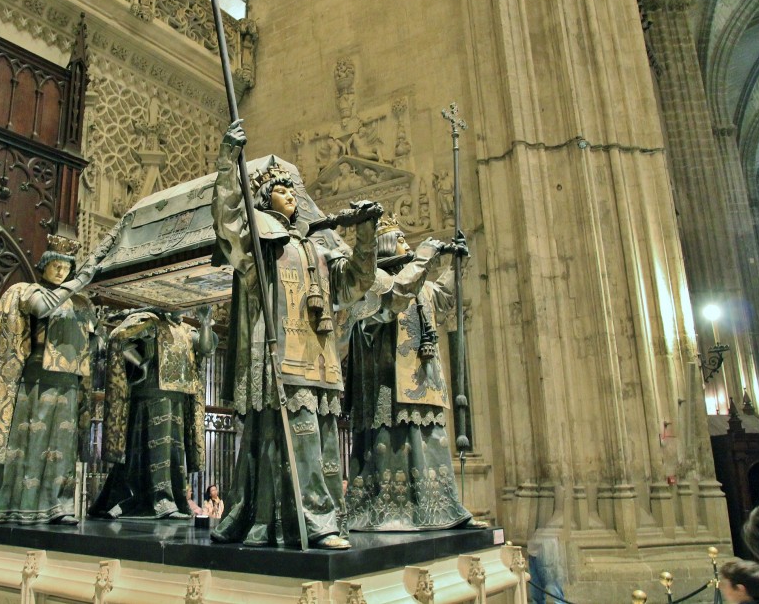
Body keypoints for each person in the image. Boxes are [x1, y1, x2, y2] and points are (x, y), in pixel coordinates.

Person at [210, 120, 382, 550]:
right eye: (281, 189)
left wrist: (365, 233)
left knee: (320, 445)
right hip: (280, 362)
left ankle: (306, 521)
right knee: (291, 442)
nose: (290, 194)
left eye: (292, 189)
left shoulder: (316, 249)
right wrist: (228, 161)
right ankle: (313, 524)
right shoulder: (262, 241)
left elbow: (356, 283)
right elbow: (229, 221)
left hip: (318, 362)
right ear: (266, 199)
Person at [0, 234, 101, 524]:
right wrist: (81, 279)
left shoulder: (80, 302)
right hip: (36, 378)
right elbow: (42, 308)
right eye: (55, 265)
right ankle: (10, 504)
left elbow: (94, 339)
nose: (61, 271)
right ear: (44, 266)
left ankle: (57, 505)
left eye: (66, 267)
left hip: (69, 381)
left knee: (62, 446)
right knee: (28, 442)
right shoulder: (27, 290)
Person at [344, 212, 475, 531]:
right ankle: (393, 510)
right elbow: (393, 302)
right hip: (387, 390)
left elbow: (443, 299)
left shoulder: (421, 286)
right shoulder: (373, 284)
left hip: (425, 383)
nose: (408, 244)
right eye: (400, 239)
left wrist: (456, 266)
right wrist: (425, 259)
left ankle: (438, 510)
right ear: (387, 246)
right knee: (396, 447)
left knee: (430, 447)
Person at [89, 306, 216, 519]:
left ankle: (171, 498)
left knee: (173, 453)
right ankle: (160, 501)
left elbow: (207, 348)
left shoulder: (185, 330)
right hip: (150, 395)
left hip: (177, 397)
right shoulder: (146, 321)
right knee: (155, 451)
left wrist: (205, 324)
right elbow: (121, 340)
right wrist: (140, 361)